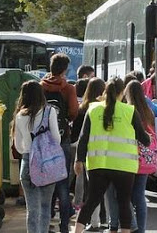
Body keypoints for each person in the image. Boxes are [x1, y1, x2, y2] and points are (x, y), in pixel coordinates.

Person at [73, 77, 150, 233]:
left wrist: (79, 160)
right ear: (122, 93)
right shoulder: (129, 111)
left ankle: (77, 231)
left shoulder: (93, 109)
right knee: (124, 202)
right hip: (124, 167)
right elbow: (144, 140)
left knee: (91, 201)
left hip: (98, 165)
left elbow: (83, 138)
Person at [108, 80, 157, 233]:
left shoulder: (127, 110)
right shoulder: (148, 110)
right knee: (140, 197)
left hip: (129, 158)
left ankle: (131, 226)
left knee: (124, 195)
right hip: (145, 160)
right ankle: (140, 229)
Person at [13, 80, 61, 233]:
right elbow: (57, 139)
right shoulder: (49, 111)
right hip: (48, 163)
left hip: (28, 162)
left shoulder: (20, 115)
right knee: (46, 206)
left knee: (32, 209)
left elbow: (18, 146)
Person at [41, 53, 78, 233]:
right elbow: (73, 112)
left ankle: (46, 221)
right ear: (65, 69)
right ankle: (64, 226)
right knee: (62, 182)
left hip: (42, 140)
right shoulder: (68, 88)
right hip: (62, 139)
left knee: (46, 182)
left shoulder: (40, 86)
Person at [71, 77, 107, 232]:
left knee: (90, 191)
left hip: (87, 155)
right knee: (106, 191)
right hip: (105, 153)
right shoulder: (104, 109)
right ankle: (104, 219)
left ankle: (92, 221)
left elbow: (77, 135)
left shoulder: (83, 109)